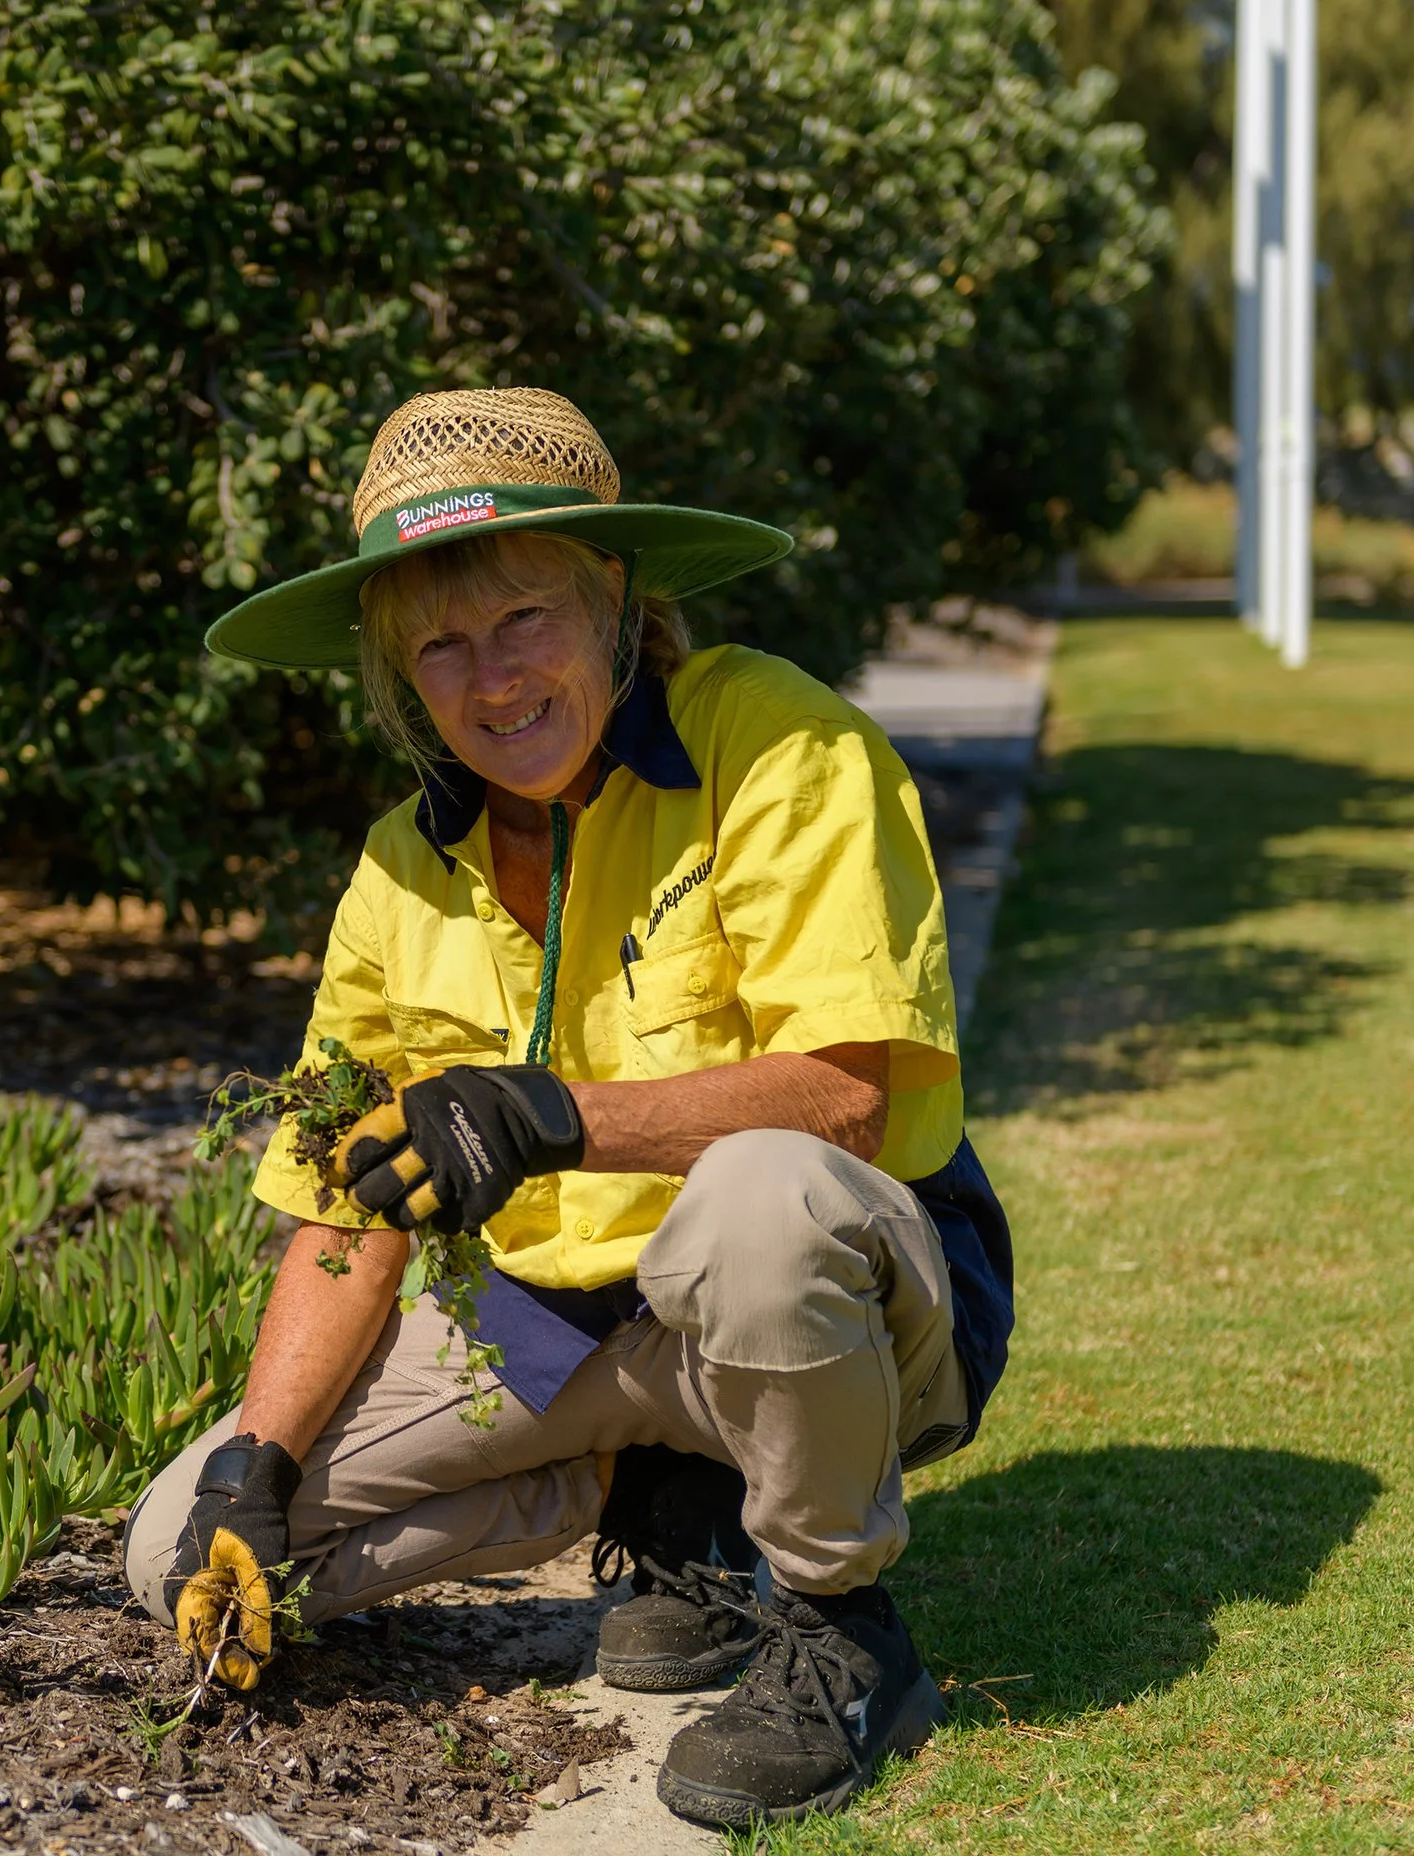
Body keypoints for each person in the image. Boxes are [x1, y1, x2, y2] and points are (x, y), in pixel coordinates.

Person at [122, 389, 1014, 1827]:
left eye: (524, 617)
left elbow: (846, 1101)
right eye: (442, 644)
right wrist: (254, 1460)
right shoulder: (397, 871)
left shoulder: (779, 747)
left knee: (757, 1201)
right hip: (565, 1337)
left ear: (613, 597)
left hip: (838, 1301)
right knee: (180, 1555)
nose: (492, 679)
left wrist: (551, 1117)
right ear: (402, 676)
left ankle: (840, 1629)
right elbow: (346, 1208)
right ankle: (667, 1503)